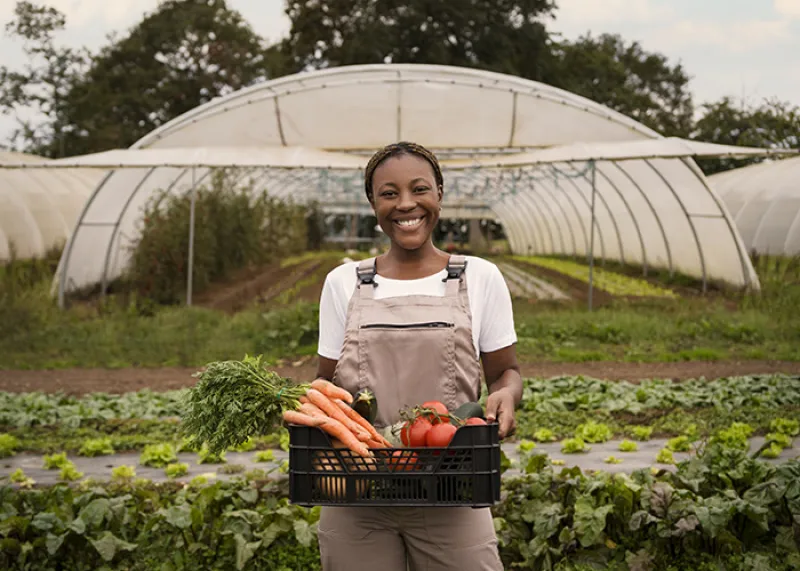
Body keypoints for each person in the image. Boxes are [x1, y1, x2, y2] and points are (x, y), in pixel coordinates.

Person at [315, 141, 522, 571]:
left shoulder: (480, 277)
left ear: (439, 194)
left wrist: (507, 394)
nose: (406, 204)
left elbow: (505, 372)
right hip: (358, 493)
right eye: (389, 193)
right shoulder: (343, 282)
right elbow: (327, 387)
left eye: (419, 189)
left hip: (452, 490)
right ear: (373, 204)